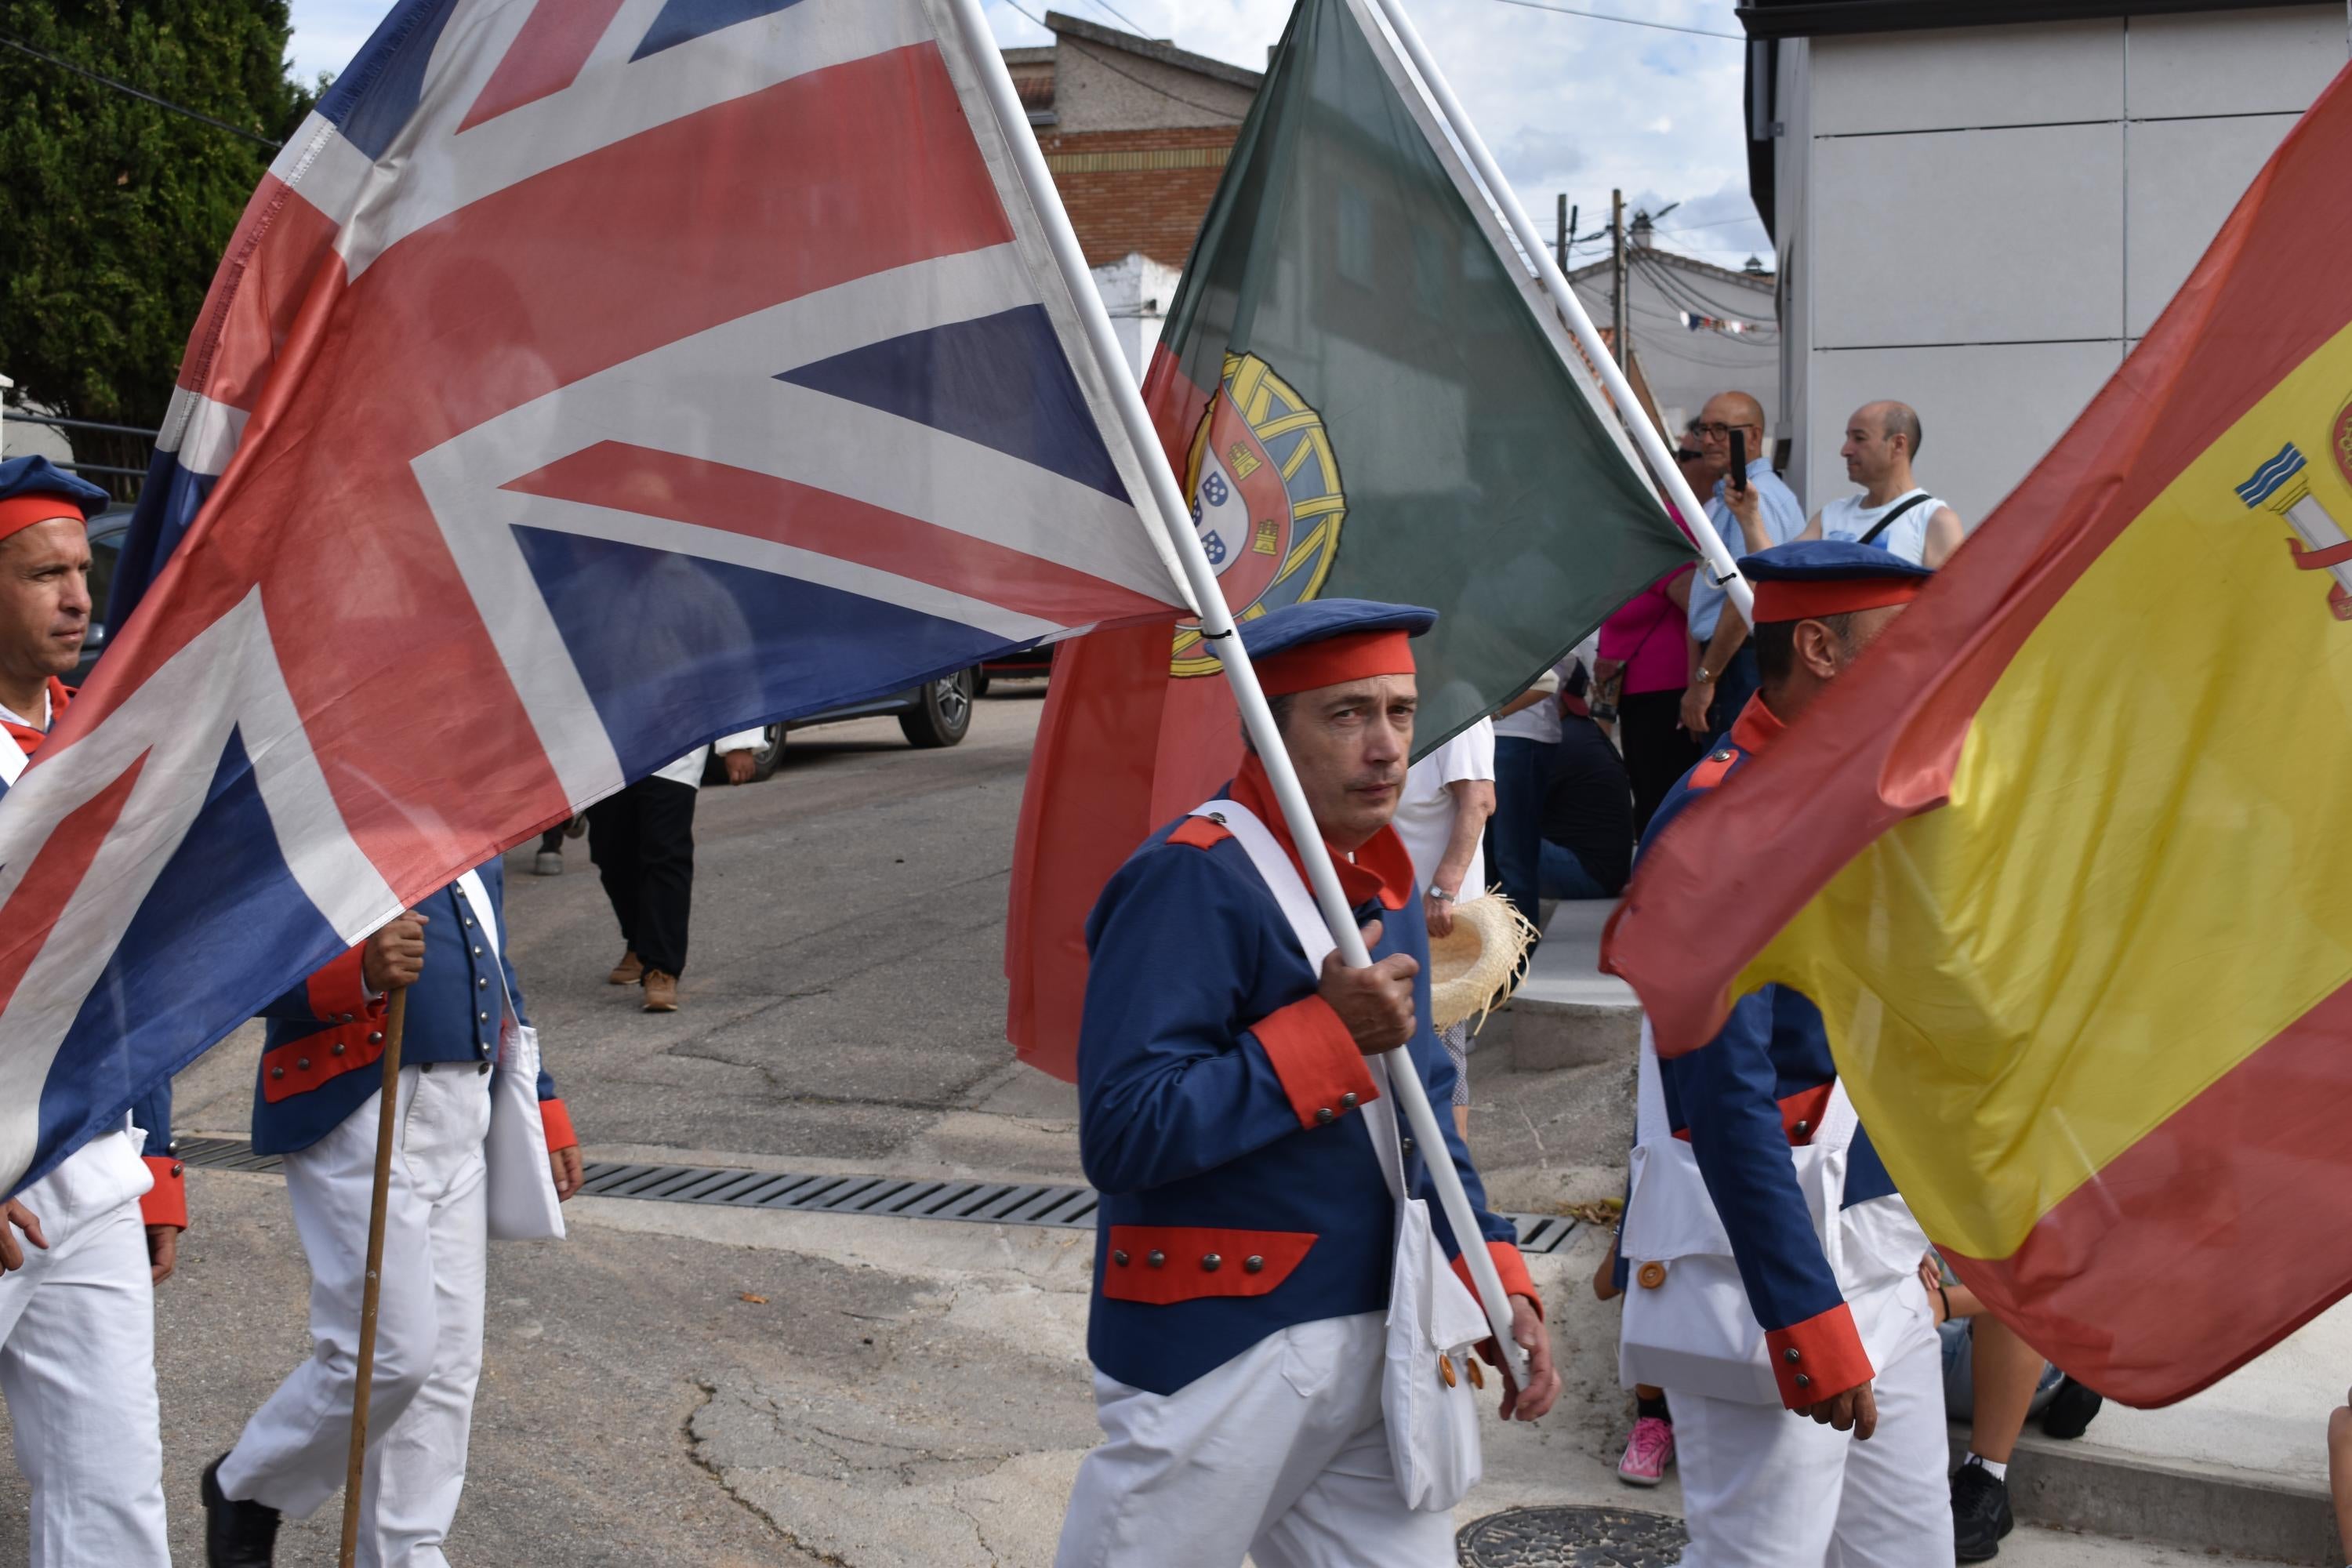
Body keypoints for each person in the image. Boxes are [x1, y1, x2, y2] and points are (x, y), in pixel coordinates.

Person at [1055, 599, 1561, 1568]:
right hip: (1224, 1343)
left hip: (1383, 1329)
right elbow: (1123, 1132)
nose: (1386, 748)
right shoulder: (1190, 878)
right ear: (1270, 728)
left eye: (1402, 713)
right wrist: (1328, 1035)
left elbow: (1420, 1121)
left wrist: (1491, 1272)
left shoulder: (1386, 878)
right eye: (1347, 715)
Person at [1623, 541, 1953, 1566]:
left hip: (1882, 1250)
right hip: (1772, 1265)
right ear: (1817, 647)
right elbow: (1727, 1095)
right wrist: (1800, 1308)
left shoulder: (1861, 792)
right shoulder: (1722, 819)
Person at [201, 864, 583, 1566]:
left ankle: (409, 1548)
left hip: (466, 1107)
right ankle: (248, 1485)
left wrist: (543, 1097)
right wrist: (361, 975)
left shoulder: (471, 815)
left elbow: (496, 964)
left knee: (448, 1368)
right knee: (388, 1356)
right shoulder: (320, 802)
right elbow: (226, 954)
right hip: (362, 1102)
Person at [0, 456, 183, 1565]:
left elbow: (135, 971)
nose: (79, 597)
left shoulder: (111, 743)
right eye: (41, 575)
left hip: (91, 1170)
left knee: (114, 1502)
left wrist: (154, 1156)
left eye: (83, 569)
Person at [1920, 1256, 2103, 1560]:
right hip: (1914, 1346)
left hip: (2001, 1348)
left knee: (2015, 1293)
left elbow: (2036, 1288)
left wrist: (1941, 1303)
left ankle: (1987, 1477)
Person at [590, 729, 764, 1011]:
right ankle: (638, 942)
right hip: (606, 747)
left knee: (665, 852)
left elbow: (724, 682)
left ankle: (662, 968)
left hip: (674, 744)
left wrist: (739, 743)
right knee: (610, 853)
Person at [1598, 430, 1714, 834]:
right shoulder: (1643, 521)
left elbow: (1694, 604)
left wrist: (1696, 685)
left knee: (1660, 801)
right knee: (1651, 797)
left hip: (1664, 691)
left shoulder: (1660, 523)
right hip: (1643, 691)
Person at [1681, 393, 1806, 745]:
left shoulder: (1751, 498)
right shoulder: (1743, 494)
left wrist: (1705, 680)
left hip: (1740, 663)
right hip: (1741, 661)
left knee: (1730, 784)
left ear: (1752, 437)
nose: (1707, 440)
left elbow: (1745, 595)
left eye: (1721, 430)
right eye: (1703, 429)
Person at [1392, 715, 1495, 1142]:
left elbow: (1480, 800)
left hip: (1436, 924)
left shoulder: (1457, 710)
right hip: (1397, 915)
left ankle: (1452, 1180)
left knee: (1443, 1057)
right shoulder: (1402, 711)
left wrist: (1442, 890)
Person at [1802, 401, 1965, 568]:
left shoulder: (1935, 521)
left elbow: (1949, 594)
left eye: (1859, 438)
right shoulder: (1830, 516)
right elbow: (1780, 569)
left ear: (1898, 445)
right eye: (1848, 438)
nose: (1845, 450)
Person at [1537, 643, 1632, 902]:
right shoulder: (1581, 731)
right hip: (1602, 872)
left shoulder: (1563, 740)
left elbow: (1510, 808)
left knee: (1499, 834)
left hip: (1587, 875)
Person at [1488, 662, 1563, 932]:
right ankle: (1500, 949)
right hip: (1498, 738)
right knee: (1494, 857)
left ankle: (1518, 952)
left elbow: (1547, 681)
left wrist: (1489, 715)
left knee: (1511, 855)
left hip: (1517, 737)